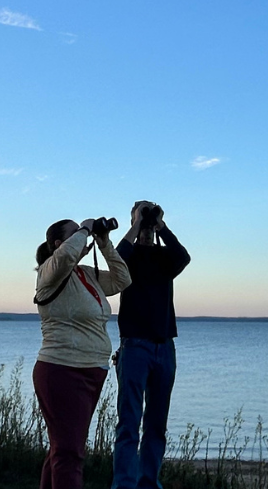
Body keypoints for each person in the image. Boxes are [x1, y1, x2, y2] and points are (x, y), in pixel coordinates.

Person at [33, 216, 131, 489]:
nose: (82, 237)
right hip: (62, 369)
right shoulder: (49, 271)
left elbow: (123, 279)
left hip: (91, 370)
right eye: (75, 234)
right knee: (69, 453)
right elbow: (65, 257)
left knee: (63, 447)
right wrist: (86, 228)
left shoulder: (86, 273)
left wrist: (104, 243)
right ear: (57, 243)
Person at [110, 201, 188, 489]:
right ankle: (124, 485)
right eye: (140, 217)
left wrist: (161, 226)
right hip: (134, 347)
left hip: (164, 346)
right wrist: (135, 224)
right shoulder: (127, 259)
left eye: (148, 217)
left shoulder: (164, 258)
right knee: (128, 423)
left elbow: (183, 256)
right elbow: (116, 257)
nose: (145, 224)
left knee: (156, 425)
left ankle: (148, 483)